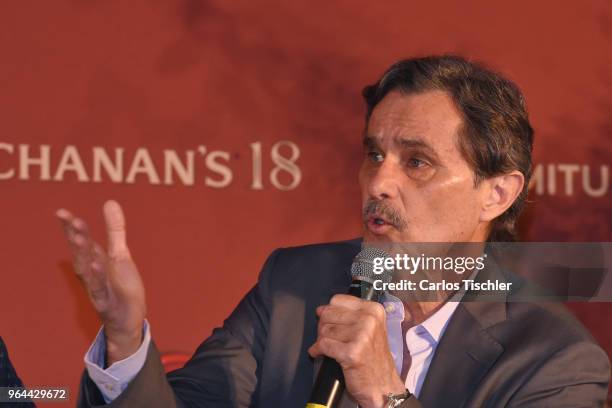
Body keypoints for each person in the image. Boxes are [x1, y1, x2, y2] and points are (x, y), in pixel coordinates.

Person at [57, 56, 610, 407]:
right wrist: (127, 339)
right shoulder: (297, 285)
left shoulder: (554, 359)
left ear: (498, 193)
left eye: (416, 162)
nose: (380, 182)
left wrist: (387, 394)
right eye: (374, 154)